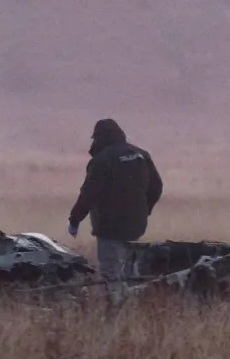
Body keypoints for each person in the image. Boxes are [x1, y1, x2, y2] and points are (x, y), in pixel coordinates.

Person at [66, 118, 163, 280]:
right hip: (136, 225)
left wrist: (74, 220)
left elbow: (88, 194)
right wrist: (145, 211)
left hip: (109, 226)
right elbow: (156, 187)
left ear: (98, 138)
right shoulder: (141, 155)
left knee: (110, 272)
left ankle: (116, 302)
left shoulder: (101, 161)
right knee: (131, 271)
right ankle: (133, 300)